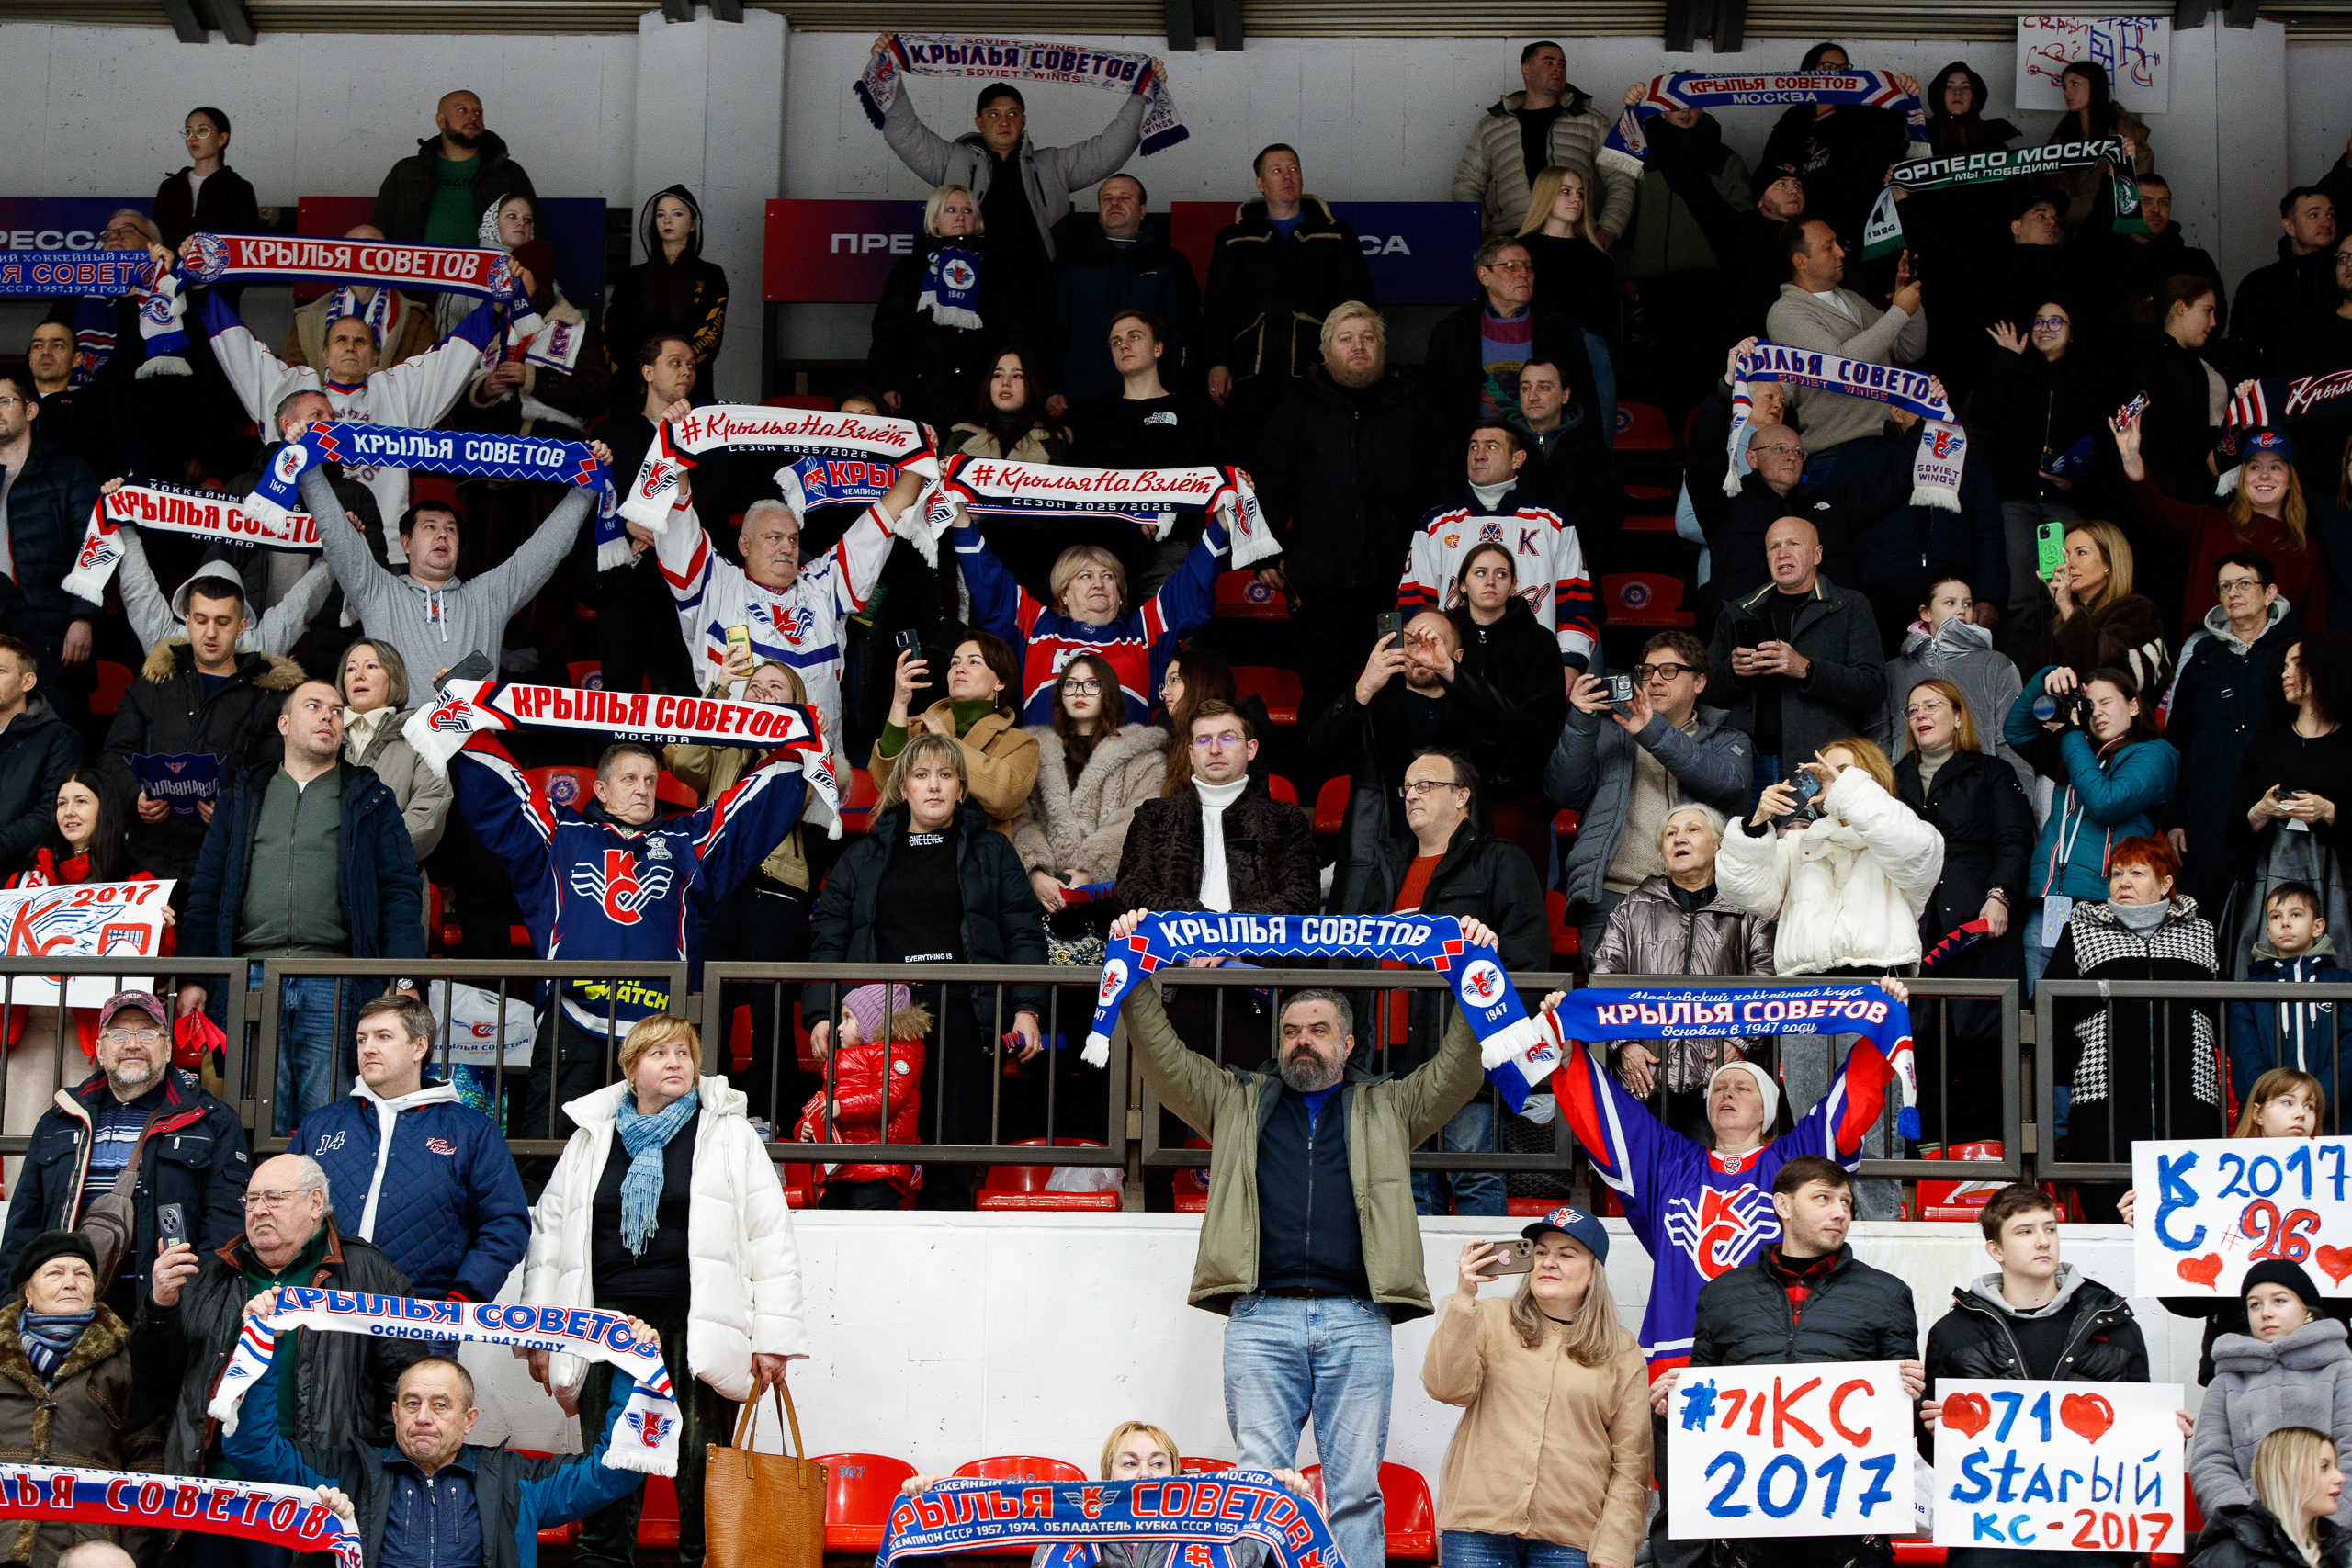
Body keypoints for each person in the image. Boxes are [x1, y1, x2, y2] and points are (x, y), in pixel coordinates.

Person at [1109, 920, 1487, 1568]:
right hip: (1261, 1319)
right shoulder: (1235, 1100)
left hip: (1357, 1318)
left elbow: (1458, 1072)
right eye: (1289, 1031)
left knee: (1355, 1493)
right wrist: (1135, 972)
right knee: (1255, 1494)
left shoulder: (1389, 1106)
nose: (1301, 1040)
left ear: (1347, 1042)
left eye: (1317, 1029)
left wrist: (1474, 974)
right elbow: (1164, 1060)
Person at [1544, 987, 1900, 1568]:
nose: (1727, 1093)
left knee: (1771, 1526)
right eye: (1718, 1088)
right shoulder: (1670, 1163)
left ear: (1768, 1109)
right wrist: (1567, 1044)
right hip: (1679, 1368)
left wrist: (1879, 1023)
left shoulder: (1792, 1164)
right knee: (1687, 1523)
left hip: (1773, 1369)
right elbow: (1607, 1118)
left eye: (1743, 1087)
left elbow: (1850, 1103)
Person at [447, 729, 814, 1161]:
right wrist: (462, 724)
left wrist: (799, 745)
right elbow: (502, 795)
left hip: (658, 1035)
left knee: (655, 1167)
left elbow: (748, 813)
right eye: (629, 779)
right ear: (601, 789)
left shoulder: (687, 842)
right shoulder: (559, 834)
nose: (643, 789)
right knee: (550, 1159)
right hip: (572, 1025)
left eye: (650, 780)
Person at [523, 1014, 801, 1568]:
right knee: (609, 1466)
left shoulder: (729, 1134)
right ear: (631, 1071)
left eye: (683, 1053)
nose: (675, 1063)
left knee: (699, 1467)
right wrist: (537, 1334)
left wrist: (774, 1338)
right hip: (603, 1328)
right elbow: (549, 1239)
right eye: (659, 1054)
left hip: (696, 1325)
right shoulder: (590, 1138)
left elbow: (770, 1238)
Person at [807, 731, 1047, 1206]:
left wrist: (1027, 1009)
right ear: (903, 788)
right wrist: (820, 1013)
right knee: (873, 1157)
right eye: (921, 775)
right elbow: (828, 937)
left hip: (964, 1014)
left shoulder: (993, 851)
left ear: (962, 788)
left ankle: (947, 1236)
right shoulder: (862, 856)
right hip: (879, 1022)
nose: (934, 786)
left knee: (952, 1157)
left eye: (945, 775)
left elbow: (1022, 932)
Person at [178, 680, 425, 1133]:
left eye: (337, 710)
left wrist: (406, 976)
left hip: (336, 977)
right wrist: (194, 976)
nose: (329, 715)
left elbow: (400, 891)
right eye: (314, 706)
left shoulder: (369, 795)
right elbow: (207, 889)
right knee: (256, 1121)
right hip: (252, 976)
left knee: (329, 1121)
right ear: (284, 723)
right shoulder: (242, 794)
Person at [1678, 1156, 1926, 1567]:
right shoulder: (1723, 1293)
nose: (1840, 1212)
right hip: (1748, 1529)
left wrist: (1914, 1394)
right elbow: (1702, 1397)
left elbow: (1904, 1418)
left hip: (1849, 1530)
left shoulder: (1886, 1293)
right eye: (1823, 1198)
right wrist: (1674, 1404)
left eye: (1846, 1202)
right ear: (1783, 1205)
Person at [145, 1152, 424, 1513]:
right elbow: (153, 1382)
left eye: (274, 1198)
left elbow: (404, 1389)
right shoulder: (210, 1277)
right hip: (211, 1486)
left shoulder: (370, 1275)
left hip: (316, 1484)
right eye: (251, 1200)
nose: (258, 1210)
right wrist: (161, 1305)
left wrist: (372, 1484)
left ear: (315, 1203)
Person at [1333, 748, 1547, 1217]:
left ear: (1462, 796)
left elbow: (1527, 962)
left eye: (1426, 785)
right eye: (1407, 787)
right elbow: (1354, 953)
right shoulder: (1385, 865)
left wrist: (1493, 1044)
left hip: (1464, 1057)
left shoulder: (1501, 860)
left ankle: (1486, 1271)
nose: (1412, 795)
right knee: (1408, 1188)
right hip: (1387, 1055)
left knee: (1475, 1179)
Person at [223, 1340, 651, 1568]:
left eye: (441, 1405)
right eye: (412, 1404)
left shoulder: (514, 1480)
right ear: (395, 1413)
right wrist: (268, 1345)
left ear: (469, 1420)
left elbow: (615, 1471)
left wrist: (631, 1365)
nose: (423, 1417)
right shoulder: (346, 1471)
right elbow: (250, 1447)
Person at [1918, 1184, 2166, 1568]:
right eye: (2025, 1231)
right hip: (1991, 1541)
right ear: (1996, 1250)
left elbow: (2139, 1441)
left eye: (2050, 1228)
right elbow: (1935, 1455)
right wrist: (1935, 1431)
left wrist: (2166, 1435)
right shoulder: (1953, 1334)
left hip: (2091, 1537)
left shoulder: (2116, 1325)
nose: (2043, 1241)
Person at [639, 419, 927, 746]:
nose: (787, 547)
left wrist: (919, 458)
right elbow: (678, 516)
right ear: (745, 545)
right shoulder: (714, 584)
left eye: (793, 539)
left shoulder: (823, 586)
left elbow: (881, 523)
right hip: (736, 761)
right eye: (774, 537)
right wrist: (678, 441)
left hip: (817, 764)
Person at [1248, 302, 1453, 745]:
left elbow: (1443, 495)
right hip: (1321, 588)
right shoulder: (1297, 408)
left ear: (1383, 347)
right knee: (1323, 691)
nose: (1358, 346)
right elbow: (1267, 483)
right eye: (1346, 338)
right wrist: (1265, 551)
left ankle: (1392, 785)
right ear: (1325, 353)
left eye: (1368, 337)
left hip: (1396, 589)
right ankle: (1318, 784)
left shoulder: (1415, 406)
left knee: (1395, 689)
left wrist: (1439, 563)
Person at [0, 989, 248, 1325]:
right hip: (69, 1312)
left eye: (147, 1033)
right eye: (118, 1034)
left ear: (167, 1048)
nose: (132, 1044)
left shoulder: (211, 1119)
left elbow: (225, 1227)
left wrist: (190, 1306)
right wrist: (10, 1308)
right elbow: (24, 1223)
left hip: (166, 1314)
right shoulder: (60, 1118)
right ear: (100, 1049)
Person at [1424, 1213, 1650, 1568]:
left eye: (1566, 1254)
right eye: (1540, 1252)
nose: (1548, 1262)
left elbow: (1632, 1462)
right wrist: (1465, 1296)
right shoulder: (1487, 1317)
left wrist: (1614, 1549)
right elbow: (1445, 1388)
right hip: (1476, 1530)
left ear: (1594, 1271)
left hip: (1570, 1538)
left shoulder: (1621, 1350)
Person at [295, 444, 595, 696]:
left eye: (451, 529)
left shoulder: (487, 597)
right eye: (430, 527)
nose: (442, 535)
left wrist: (587, 485)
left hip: (471, 739)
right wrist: (306, 462)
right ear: (406, 543)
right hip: (398, 739)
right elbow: (335, 532)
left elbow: (545, 550)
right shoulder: (379, 592)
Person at [291, 991, 527, 1305]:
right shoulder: (319, 1125)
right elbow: (281, 1208)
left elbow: (505, 1224)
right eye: (362, 1039)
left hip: (423, 1315)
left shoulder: (471, 1130)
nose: (368, 1048)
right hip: (320, 1307)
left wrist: (461, 1300)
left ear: (419, 1046)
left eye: (383, 1036)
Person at [870, 41, 1156, 298]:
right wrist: (888, 72)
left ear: (1023, 121)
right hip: (970, 292)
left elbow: (1108, 151)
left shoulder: (1052, 165)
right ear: (979, 122)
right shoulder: (952, 160)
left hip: (1040, 293)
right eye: (993, 114)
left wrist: (1141, 94)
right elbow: (905, 132)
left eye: (1012, 113)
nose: (1003, 121)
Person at [664, 655, 819, 1129]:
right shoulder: (724, 742)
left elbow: (819, 795)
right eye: (755, 686)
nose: (762, 692)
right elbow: (679, 757)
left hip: (777, 890)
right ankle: (704, 1117)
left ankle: (772, 1121)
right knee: (710, 1009)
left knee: (771, 1013)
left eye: (776, 687)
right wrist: (718, 692)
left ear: (796, 701)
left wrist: (805, 738)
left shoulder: (806, 748)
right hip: (717, 888)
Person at [2120, 1069, 2346, 1383]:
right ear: (2258, 1113)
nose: (2301, 1114)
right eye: (2287, 1102)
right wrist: (2151, 1235)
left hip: (2322, 1367)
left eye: (2310, 1107)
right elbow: (2187, 1304)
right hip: (2235, 1369)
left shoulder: (2339, 1187)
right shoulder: (2211, 1181)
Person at [96, 570, 303, 888]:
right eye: (201, 620)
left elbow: (276, 777)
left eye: (222, 622)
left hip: (222, 864)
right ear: (187, 622)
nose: (210, 632)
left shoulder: (267, 698)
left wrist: (233, 809)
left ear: (241, 627)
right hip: (145, 860)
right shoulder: (152, 684)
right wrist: (134, 798)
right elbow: (113, 756)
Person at [1312, 614, 1533, 911]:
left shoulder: (1475, 712)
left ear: (1457, 656)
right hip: (1371, 870)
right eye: (1412, 642)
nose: (1421, 651)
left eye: (1433, 641)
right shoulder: (1370, 707)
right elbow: (1321, 754)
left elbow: (1515, 731)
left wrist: (1449, 671)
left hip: (1458, 871)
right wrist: (1363, 687)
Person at [1893, 680, 2033, 1145]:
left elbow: (2014, 839)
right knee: (1921, 1041)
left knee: (1980, 1045)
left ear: (1958, 717)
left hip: (1978, 922)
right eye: (1913, 708)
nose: (1920, 714)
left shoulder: (1990, 771)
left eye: (1932, 705)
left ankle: (1983, 1160)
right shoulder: (1892, 779)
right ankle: (1929, 1157)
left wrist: (2000, 895)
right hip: (1915, 924)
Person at [1546, 631, 1750, 952]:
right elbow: (1563, 793)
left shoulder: (1729, 740)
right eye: (1647, 671)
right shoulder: (1608, 732)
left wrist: (1651, 729)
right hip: (1610, 896)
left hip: (1697, 898)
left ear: (1699, 682)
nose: (1654, 680)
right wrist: (1581, 722)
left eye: (1669, 671)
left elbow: (1726, 786)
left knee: (1691, 989)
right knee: (1607, 988)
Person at [2044, 835, 2223, 1200]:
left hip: (2189, 1099)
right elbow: (2051, 1009)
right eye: (2117, 874)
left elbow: (2220, 1011)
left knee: (2191, 1207)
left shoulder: (2201, 932)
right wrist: (2081, 1063)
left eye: (2137, 873)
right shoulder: (2080, 930)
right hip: (2104, 1102)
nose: (2124, 882)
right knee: (2105, 1204)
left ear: (2165, 883)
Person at [1584, 806, 1777, 1134]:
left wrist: (1739, 1041)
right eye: (1671, 833)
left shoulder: (1747, 908)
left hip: (1720, 1081)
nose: (1679, 839)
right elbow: (1603, 977)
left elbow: (1767, 978)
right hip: (1645, 1081)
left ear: (1719, 844)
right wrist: (1623, 1044)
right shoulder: (1632, 907)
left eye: (1692, 830)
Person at [951, 513, 1225, 729]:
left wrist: (1222, 523)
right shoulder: (1036, 626)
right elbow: (988, 581)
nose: (1098, 583)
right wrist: (960, 517)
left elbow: (1192, 584)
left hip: (1125, 772)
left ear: (1121, 594)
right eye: (1085, 576)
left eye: (1108, 576)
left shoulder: (1144, 629)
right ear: (1063, 593)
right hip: (1047, 770)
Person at [0, 1232, 175, 1567]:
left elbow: (147, 1459)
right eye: (55, 1273)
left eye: (82, 1274)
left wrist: (133, 1554)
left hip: (88, 1546)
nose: (71, 1283)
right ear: (28, 1292)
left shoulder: (124, 1356)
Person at [2006, 665, 2179, 989]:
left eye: (2106, 702)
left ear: (2133, 705)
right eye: (2089, 705)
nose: (2096, 712)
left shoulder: (2155, 753)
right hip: (2050, 901)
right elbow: (2016, 731)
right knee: (2042, 1008)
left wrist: (2070, 735)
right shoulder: (2076, 750)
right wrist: (2045, 680)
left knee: (2094, 1009)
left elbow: (2106, 803)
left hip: (2107, 903)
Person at [1723, 735, 1944, 976]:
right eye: (1822, 774)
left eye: (1843, 771)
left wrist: (1848, 789)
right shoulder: (1798, 844)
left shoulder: (1908, 833)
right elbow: (1746, 892)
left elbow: (1912, 848)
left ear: (1873, 777)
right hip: (1805, 983)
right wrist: (1757, 823)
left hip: (1879, 978)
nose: (1829, 777)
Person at [1397, 424, 1600, 682]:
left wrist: (1569, 669)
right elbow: (1414, 609)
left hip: (1533, 673)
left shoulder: (1553, 523)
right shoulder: (1436, 524)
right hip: (1451, 677)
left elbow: (1576, 607)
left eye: (1491, 447)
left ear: (1518, 459)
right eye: (1473, 447)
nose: (1479, 455)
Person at [1705, 516, 1886, 798]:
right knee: (1750, 830)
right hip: (1746, 763)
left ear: (1817, 555)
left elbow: (1872, 689)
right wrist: (1733, 672)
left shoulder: (1850, 606)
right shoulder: (1737, 611)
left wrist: (1806, 669)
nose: (1782, 553)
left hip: (1819, 762)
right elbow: (1704, 694)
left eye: (1793, 544)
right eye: (1774, 546)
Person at [1201, 146, 1374, 434]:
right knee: (1249, 456)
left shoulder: (1337, 234)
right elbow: (1218, 307)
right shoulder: (1233, 239)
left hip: (1317, 376)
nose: (1287, 176)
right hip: (1249, 378)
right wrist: (1217, 363)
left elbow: (1359, 305)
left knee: (1316, 457)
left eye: (1294, 168)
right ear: (1260, 183)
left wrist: (1348, 366)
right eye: (1276, 170)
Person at [2166, 553, 2302, 915]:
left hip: (2276, 809)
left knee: (2277, 914)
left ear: (2270, 592)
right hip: (2207, 810)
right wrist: (2174, 818)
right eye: (2224, 586)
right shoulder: (2202, 659)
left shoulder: (2296, 653)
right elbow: (2177, 742)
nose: (2233, 593)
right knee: (2207, 914)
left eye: (2244, 583)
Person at [1612, 89, 1754, 412]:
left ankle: (1704, 431)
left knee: (1709, 362)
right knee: (1666, 364)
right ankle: (1674, 433)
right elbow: (1627, 217)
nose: (1685, 111)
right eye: (1674, 104)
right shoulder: (1641, 157)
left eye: (1693, 103)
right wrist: (1624, 273)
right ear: (1660, 110)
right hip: (1653, 282)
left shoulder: (1724, 158)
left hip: (1707, 280)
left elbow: (1741, 221)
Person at [1973, 299, 2108, 642]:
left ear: (2073, 333)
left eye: (2056, 322)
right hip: (2015, 500)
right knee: (2020, 599)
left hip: (2065, 503)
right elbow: (1983, 415)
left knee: (2061, 594)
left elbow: (2103, 446)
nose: (2045, 328)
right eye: (2038, 322)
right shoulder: (2017, 371)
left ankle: (2061, 669)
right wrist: (2005, 359)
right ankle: (2021, 673)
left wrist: (2076, 479)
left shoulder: (2089, 380)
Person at [2121, 414, 2325, 635]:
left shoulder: (2308, 551)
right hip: (2206, 651)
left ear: (2290, 481)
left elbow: (2314, 631)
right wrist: (2130, 456)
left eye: (2275, 467)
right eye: (2255, 467)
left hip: (2276, 653)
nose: (2265, 475)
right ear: (2241, 478)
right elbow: (2154, 510)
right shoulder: (2210, 523)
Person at [1115, 700, 1313, 919]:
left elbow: (1301, 897)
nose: (1215, 749)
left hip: (1254, 941)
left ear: (1251, 749)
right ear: (1191, 754)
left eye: (1227, 738)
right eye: (1203, 740)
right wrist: (1202, 923)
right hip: (1177, 940)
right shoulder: (1153, 816)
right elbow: (1132, 891)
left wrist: (1225, 930)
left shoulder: (1287, 820)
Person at [2227, 631, 2352, 974]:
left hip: (2337, 881)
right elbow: (2233, 829)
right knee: (2263, 973)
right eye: (2283, 666)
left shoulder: (2348, 743)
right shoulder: (2268, 739)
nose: (2285, 673)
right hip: (2268, 874)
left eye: (2296, 663)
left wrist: (2328, 812)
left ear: (2325, 667)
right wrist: (2262, 810)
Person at [1711, 412, 1939, 599]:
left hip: (1829, 626)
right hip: (1753, 628)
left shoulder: (1827, 502)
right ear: (1751, 458)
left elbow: (1891, 484)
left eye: (1798, 452)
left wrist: (1924, 422)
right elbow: (1704, 456)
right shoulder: (1727, 503)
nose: (1791, 457)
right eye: (1779, 448)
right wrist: (1724, 390)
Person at [1763, 221, 1928, 479]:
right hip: (1841, 451)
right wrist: (1898, 312)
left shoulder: (1852, 300)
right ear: (1801, 261)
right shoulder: (1786, 312)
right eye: (1828, 247)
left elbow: (1910, 350)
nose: (1841, 252)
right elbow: (1840, 367)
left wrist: (1910, 305)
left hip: (1890, 440)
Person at [2192, 1259, 2352, 1527]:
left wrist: (2332, 1523)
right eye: (2255, 1305)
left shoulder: (2341, 1371)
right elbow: (2211, 1461)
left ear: (2307, 1310)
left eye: (2279, 1301)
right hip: (2250, 1534)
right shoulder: (2227, 1380)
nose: (2266, 1313)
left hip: (2332, 1532)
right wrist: (2245, 1523)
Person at [1014, 652, 1168, 913]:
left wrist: (1091, 872)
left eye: (1092, 684)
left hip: (1114, 901)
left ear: (1109, 692)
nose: (1079, 692)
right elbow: (1020, 818)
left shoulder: (1144, 759)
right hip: (1041, 898)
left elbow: (1138, 823)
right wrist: (1036, 873)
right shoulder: (1033, 752)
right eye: (1070, 684)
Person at [1047, 174, 1201, 411]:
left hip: (1150, 398)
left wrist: (1176, 388)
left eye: (1125, 197)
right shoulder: (1070, 261)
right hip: (1080, 396)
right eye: (1107, 198)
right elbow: (1052, 329)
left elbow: (1184, 330)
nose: (1115, 203)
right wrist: (1051, 387)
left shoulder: (1170, 262)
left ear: (1142, 210)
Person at [869, 185, 1014, 435]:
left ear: (977, 220)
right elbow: (887, 330)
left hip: (980, 393)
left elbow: (1014, 329)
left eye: (967, 210)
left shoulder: (996, 271)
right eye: (951, 210)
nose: (960, 217)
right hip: (920, 392)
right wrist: (886, 383)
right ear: (934, 219)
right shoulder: (910, 269)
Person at [1420, 237, 1597, 442]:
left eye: (1528, 267)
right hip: (1474, 452)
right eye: (1512, 266)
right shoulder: (1454, 331)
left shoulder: (1559, 330)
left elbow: (1584, 402)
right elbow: (1432, 407)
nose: (1524, 274)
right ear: (1484, 276)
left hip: (1543, 450)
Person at [1452, 42, 1631, 243]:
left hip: (1575, 238)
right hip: (1513, 239)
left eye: (1562, 64)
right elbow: (1466, 183)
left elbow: (1621, 177)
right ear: (1526, 70)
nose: (1558, 69)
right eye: (1549, 62)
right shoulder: (1493, 125)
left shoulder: (1592, 122)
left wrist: (1610, 227)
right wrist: (1482, 232)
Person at [871, 632, 1039, 840]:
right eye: (955, 662)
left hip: (980, 852)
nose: (959, 668)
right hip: (915, 847)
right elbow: (886, 781)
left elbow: (1004, 797)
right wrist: (899, 701)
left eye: (974, 662)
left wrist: (947, 742)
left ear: (1000, 682)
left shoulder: (1022, 743)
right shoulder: (920, 726)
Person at [0, 372, 99, 717]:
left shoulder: (69, 473)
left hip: (50, 634)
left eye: (4, 402)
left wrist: (83, 618)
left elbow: (95, 548)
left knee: (55, 732)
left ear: (30, 411)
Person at [1442, 544, 1575, 802]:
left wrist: (1502, 765)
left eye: (1501, 574)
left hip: (1514, 783)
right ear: (1463, 585)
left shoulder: (1539, 641)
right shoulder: (1444, 633)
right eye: (1480, 573)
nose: (1490, 581)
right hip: (1446, 776)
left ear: (1513, 586)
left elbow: (1544, 723)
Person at [1874, 577, 2030, 793]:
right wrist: (1888, 793)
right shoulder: (1893, 670)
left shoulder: (1996, 664)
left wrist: (2017, 797)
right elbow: (1878, 740)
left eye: (1967, 603)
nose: (1961, 610)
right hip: (1910, 794)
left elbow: (2013, 740)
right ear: (1925, 613)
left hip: (1979, 792)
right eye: (1950, 602)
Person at [1758, 44, 1918, 251]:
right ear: (1808, 73)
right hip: (1799, 238)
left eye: (1843, 68)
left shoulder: (1865, 119)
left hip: (1848, 235)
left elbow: (1892, 132)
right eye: (1827, 67)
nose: (1836, 74)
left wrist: (1902, 91)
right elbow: (1769, 177)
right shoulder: (1791, 123)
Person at [796, 983, 927, 1211]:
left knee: (870, 1227)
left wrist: (842, 1108)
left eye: (848, 1018)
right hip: (840, 1171)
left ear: (873, 1024)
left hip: (876, 1169)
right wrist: (805, 1128)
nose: (839, 1027)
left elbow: (890, 1096)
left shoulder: (897, 1053)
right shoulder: (841, 1061)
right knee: (828, 1223)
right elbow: (823, 1103)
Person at [1517, 165, 1621, 438]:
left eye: (1580, 193)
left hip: (1590, 356)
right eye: (1566, 191)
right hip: (1532, 352)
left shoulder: (1599, 259)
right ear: (1546, 195)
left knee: (1597, 440)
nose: (1576, 199)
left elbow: (1605, 329)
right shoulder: (1519, 251)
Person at [603, 186, 728, 406]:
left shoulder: (711, 276)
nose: (667, 221)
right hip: (635, 390)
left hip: (689, 392)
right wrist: (640, 374)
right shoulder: (633, 277)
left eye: (677, 214)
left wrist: (672, 371)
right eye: (661, 215)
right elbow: (613, 332)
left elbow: (710, 334)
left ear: (693, 224)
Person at [2230, 886, 2352, 1108]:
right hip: (2270, 1118)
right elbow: (2245, 1057)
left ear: (2318, 927)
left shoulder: (2343, 982)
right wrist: (2279, 1108)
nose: (2285, 923)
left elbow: (2349, 1054)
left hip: (2334, 1117)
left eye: (2296, 914)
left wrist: (2312, 1103)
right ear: (2269, 932)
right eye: (2276, 916)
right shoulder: (2249, 990)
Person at [371, 88, 535, 244]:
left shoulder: (509, 172)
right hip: (416, 264)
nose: (472, 117)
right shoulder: (406, 171)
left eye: (478, 112)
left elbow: (534, 233)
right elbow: (380, 229)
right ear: (440, 120)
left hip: (489, 264)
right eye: (462, 110)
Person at [335, 637, 448, 863]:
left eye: (371, 666)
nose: (358, 676)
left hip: (389, 874)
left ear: (393, 678)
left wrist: (364, 847)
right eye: (350, 669)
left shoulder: (420, 737)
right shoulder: (326, 733)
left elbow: (429, 813)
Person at [279, 226, 441, 376]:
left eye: (378, 248)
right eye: (358, 247)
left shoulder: (417, 321)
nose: (367, 253)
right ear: (342, 256)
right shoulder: (307, 319)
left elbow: (423, 378)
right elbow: (292, 377)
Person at [1507, 358, 1623, 558]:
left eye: (1544, 388)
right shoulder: (1499, 442)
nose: (1532, 396)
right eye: (1525, 388)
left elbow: (1608, 510)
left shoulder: (1590, 445)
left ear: (1565, 395)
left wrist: (1557, 534)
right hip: (1509, 557)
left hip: (1576, 556)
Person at [2130, 273, 2229, 511]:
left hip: (2197, 490)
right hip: (2162, 491)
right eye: (2207, 311)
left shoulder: (2196, 362)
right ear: (2181, 307)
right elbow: (2154, 411)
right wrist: (2205, 451)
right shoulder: (2143, 353)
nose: (2214, 323)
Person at [2191, 1427, 2351, 1568]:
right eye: (2324, 1467)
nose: (2341, 1478)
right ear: (2286, 1475)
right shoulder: (2230, 1557)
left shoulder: (2340, 1549)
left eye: (2335, 1467)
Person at [2234, 189, 2341, 381]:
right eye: (2314, 215)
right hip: (2279, 391)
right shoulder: (2259, 284)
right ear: (2289, 227)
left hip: (2338, 390)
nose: (2327, 222)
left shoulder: (2345, 276)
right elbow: (2243, 352)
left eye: (2331, 214)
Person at [0, 635, 82, 873]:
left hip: (25, 877)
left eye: (0, 671)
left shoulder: (59, 738)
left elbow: (52, 811)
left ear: (27, 682)